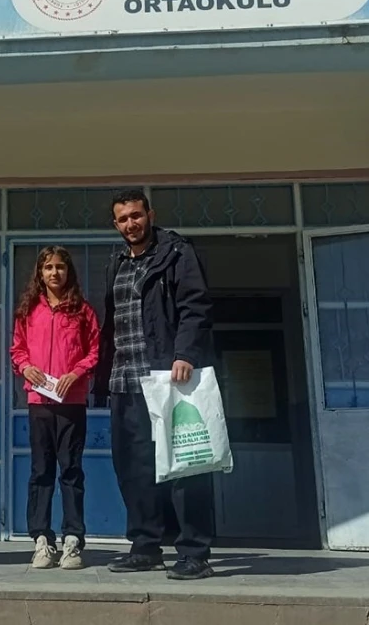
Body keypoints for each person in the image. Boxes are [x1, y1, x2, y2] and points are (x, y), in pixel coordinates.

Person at [95, 190, 216, 581]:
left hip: (168, 377)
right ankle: (145, 547)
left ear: (150, 214)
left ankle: (195, 552)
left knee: (184, 465)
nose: (131, 224)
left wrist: (185, 353)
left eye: (136, 215)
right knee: (134, 469)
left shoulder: (177, 254)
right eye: (123, 219)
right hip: (125, 380)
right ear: (115, 225)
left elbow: (195, 306)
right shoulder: (116, 262)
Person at [10, 246, 100, 571]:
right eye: (48, 267)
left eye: (60, 267)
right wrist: (25, 367)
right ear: (40, 273)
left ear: (68, 271)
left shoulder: (83, 311)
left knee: (71, 471)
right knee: (41, 472)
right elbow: (17, 349)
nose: (54, 273)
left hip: (71, 403)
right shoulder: (28, 310)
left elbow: (94, 351)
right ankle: (41, 541)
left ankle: (73, 541)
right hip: (39, 404)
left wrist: (76, 373)